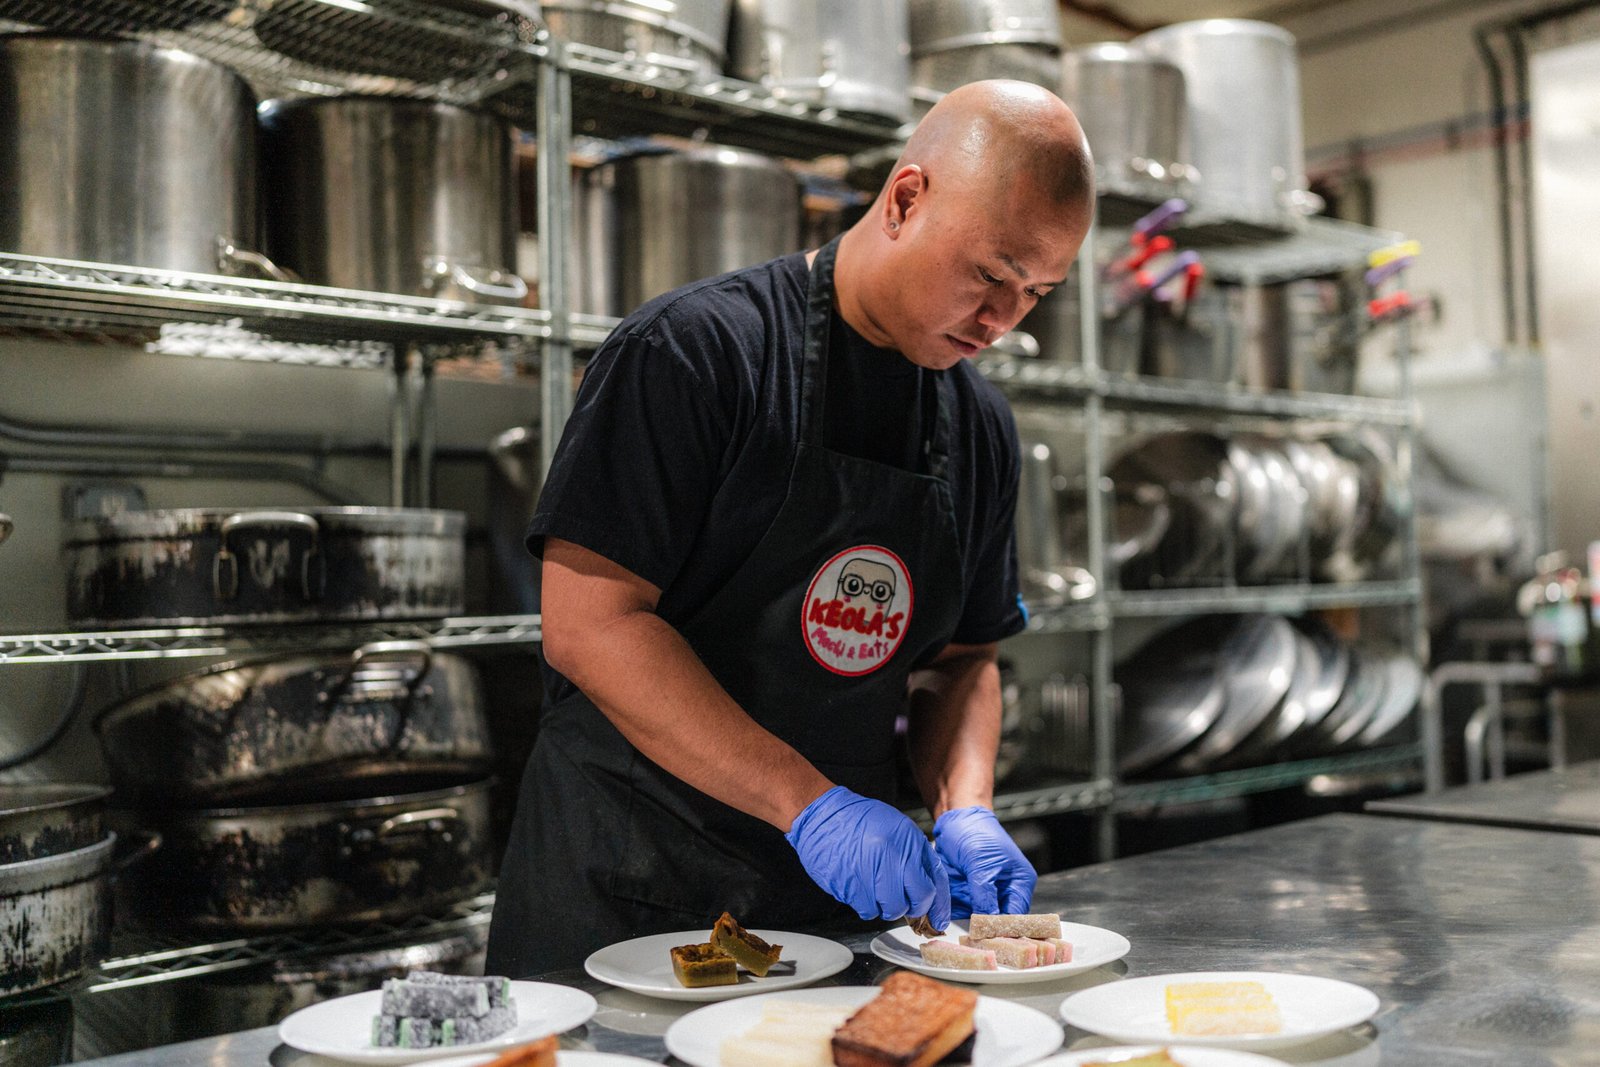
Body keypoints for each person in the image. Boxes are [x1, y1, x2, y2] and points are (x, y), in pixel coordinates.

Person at [486, 79, 1095, 978]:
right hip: (631, 893)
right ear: (905, 199)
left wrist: (965, 804)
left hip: (831, 918)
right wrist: (814, 807)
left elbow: (963, 660)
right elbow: (591, 625)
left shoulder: (980, 428)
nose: (1003, 319)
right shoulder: (692, 354)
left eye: (1037, 291)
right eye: (991, 274)